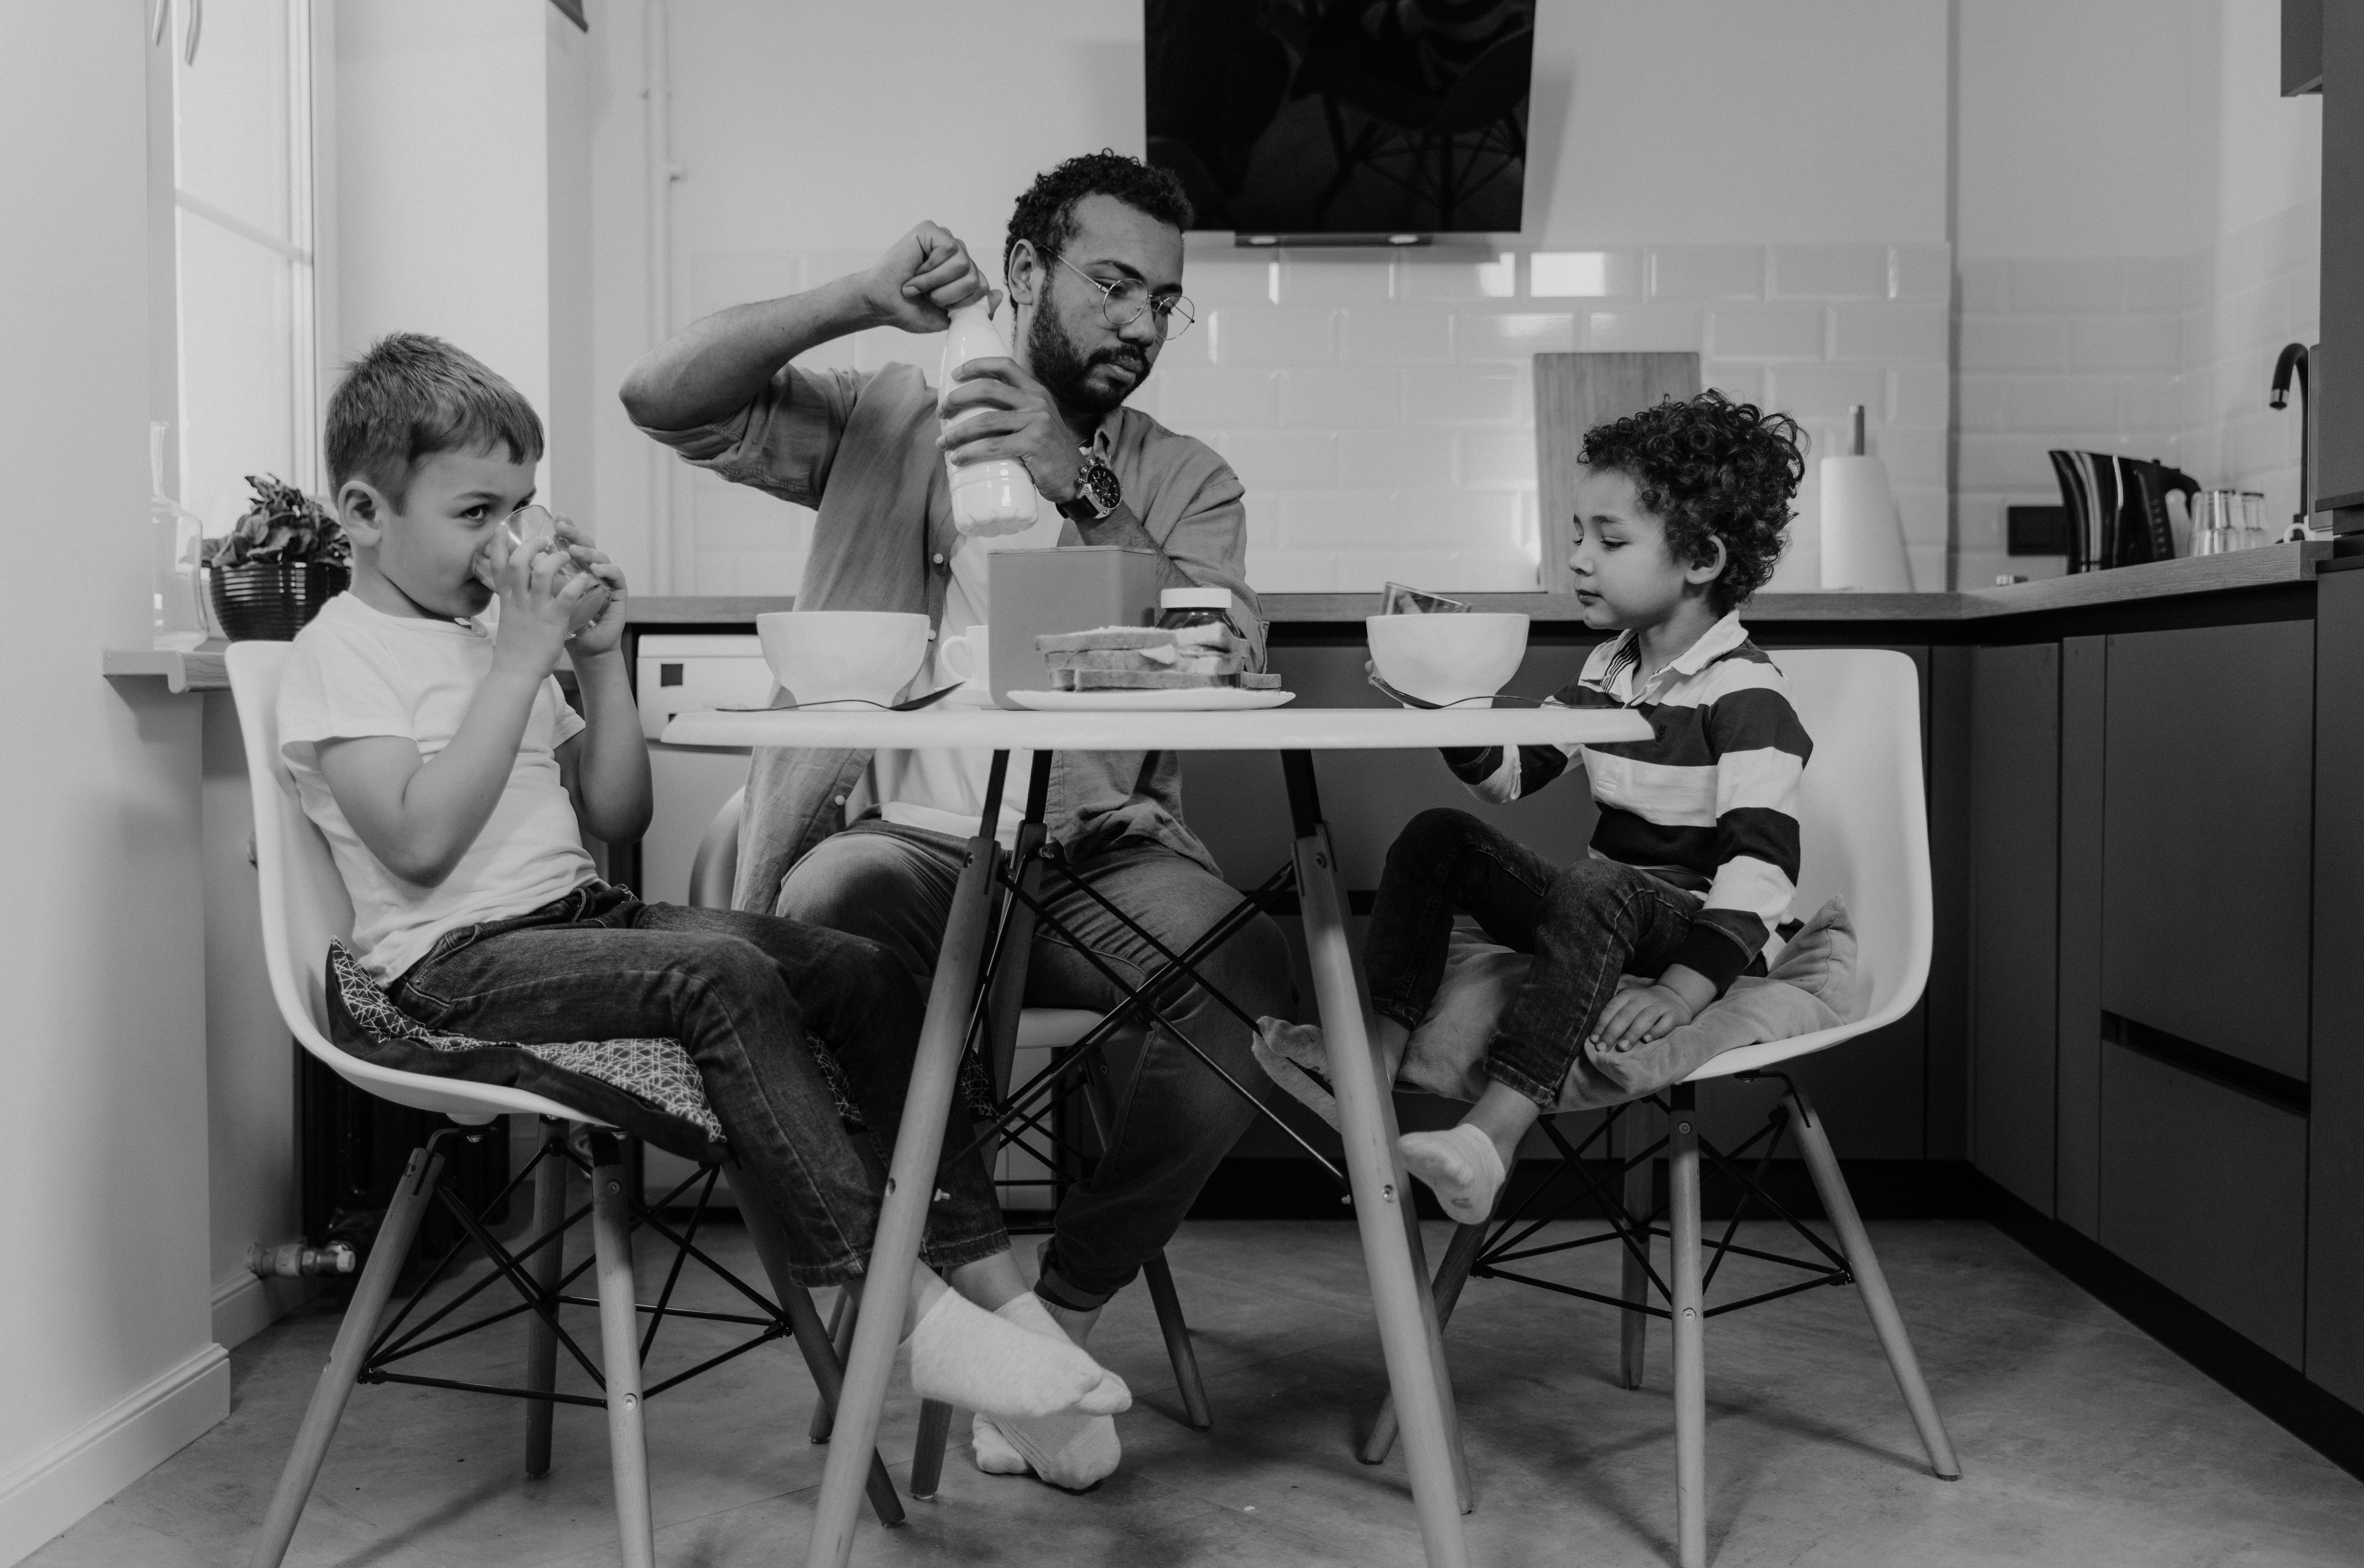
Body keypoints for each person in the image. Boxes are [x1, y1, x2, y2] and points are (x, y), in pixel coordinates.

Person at [278, 333, 1127, 1486]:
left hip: (572, 920)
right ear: (366, 512)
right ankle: (899, 1313)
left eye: (520, 507)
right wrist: (523, 664)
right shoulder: (340, 652)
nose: (507, 540)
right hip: (441, 971)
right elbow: (418, 847)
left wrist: (598, 660)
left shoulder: (494, 642)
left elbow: (616, 808)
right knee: (716, 976)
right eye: (476, 511)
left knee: (859, 969)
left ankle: (999, 1300)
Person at [620, 153, 1296, 1487]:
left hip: (1099, 857)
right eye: (1115, 286)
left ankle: (1063, 1310)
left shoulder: (1186, 476)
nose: (1144, 325)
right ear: (1029, 276)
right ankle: (1007, 1335)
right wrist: (856, 297)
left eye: (1166, 301)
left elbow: (1216, 652)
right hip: (916, 852)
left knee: (1249, 990)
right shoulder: (893, 417)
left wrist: (1077, 486)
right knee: (814, 924)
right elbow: (665, 396)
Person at [1256, 392, 1813, 1226]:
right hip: (1611, 905)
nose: (1580, 559)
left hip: (1690, 920)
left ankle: (1491, 1136)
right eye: (1578, 535)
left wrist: (1687, 990)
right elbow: (1513, 773)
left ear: (1700, 557)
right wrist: (1443, 700)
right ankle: (1368, 1062)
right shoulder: (1608, 670)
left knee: (1595, 884)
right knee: (1439, 837)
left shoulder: (1747, 695)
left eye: (1610, 539)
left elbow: (1763, 873)